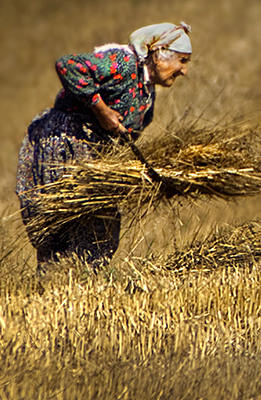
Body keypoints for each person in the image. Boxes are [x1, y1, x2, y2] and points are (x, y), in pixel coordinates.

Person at [15, 22, 192, 271]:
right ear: (159, 53)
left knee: (97, 232)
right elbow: (68, 65)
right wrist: (100, 109)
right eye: (182, 61)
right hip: (65, 143)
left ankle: (75, 287)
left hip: (94, 153)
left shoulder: (147, 92)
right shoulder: (122, 63)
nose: (184, 71)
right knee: (67, 225)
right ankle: (57, 285)